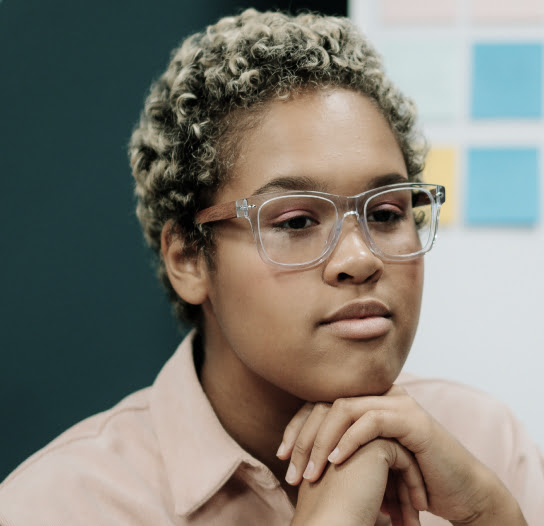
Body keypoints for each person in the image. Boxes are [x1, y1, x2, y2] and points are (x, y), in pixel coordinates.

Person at [0, 9, 542, 526]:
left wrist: (488, 515)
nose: (360, 259)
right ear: (188, 257)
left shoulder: (488, 446)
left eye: (385, 213)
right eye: (296, 221)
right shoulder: (57, 508)